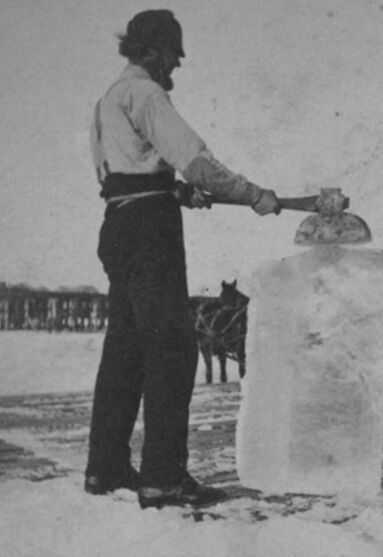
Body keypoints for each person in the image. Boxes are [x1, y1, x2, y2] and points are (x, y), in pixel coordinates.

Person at [84, 9, 281, 509]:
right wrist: (253, 193)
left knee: (125, 349)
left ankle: (105, 469)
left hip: (119, 225)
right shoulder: (148, 94)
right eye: (173, 52)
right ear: (151, 49)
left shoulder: (108, 99)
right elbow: (197, 163)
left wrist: (176, 191)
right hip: (151, 231)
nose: (177, 63)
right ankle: (163, 480)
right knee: (172, 350)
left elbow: (127, 174)